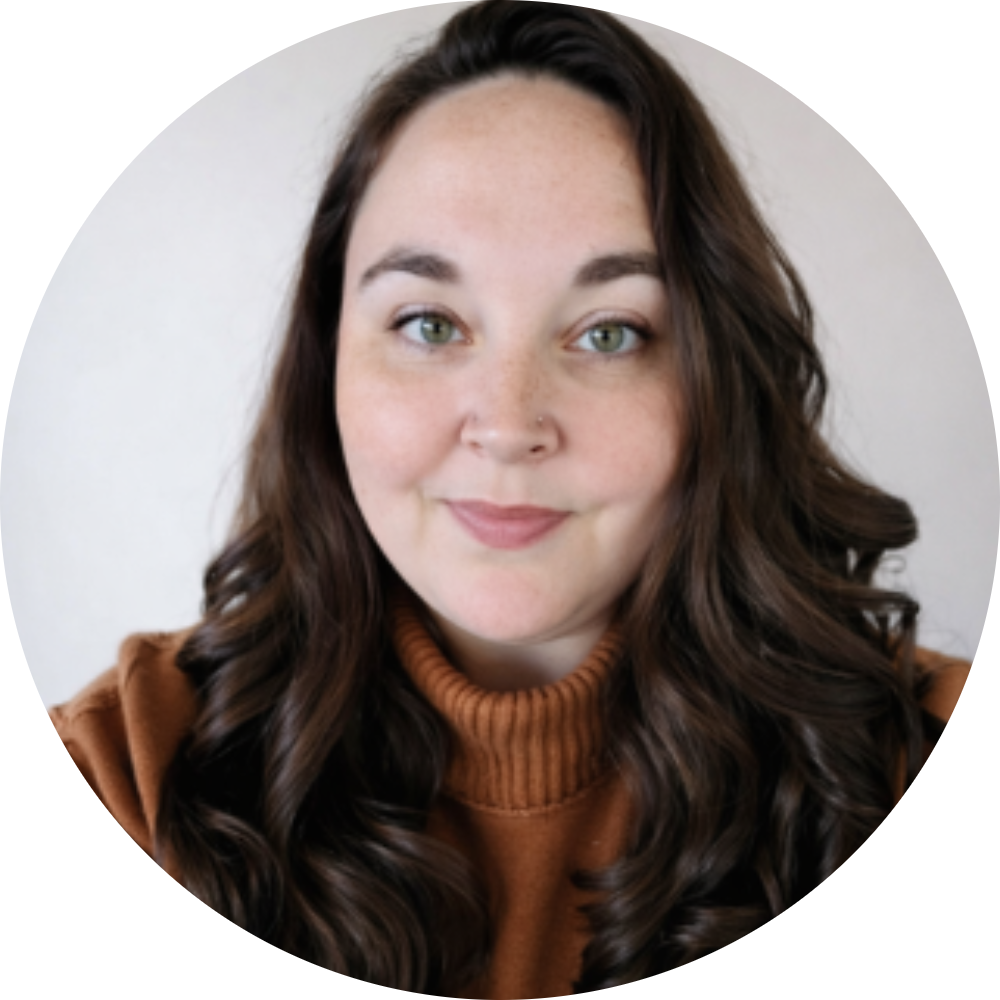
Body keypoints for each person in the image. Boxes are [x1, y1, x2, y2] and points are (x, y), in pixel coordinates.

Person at [49, 2, 969, 996]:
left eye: (609, 332)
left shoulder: (930, 771)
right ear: (327, 366)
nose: (508, 423)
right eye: (429, 323)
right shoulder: (117, 785)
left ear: (718, 381)